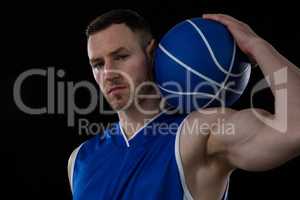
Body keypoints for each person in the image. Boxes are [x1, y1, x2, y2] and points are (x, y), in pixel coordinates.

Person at [67, 9, 300, 200]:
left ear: (151, 53)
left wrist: (258, 46)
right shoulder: (80, 159)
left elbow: (294, 131)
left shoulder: (197, 134)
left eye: (121, 56)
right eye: (98, 64)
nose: (108, 73)